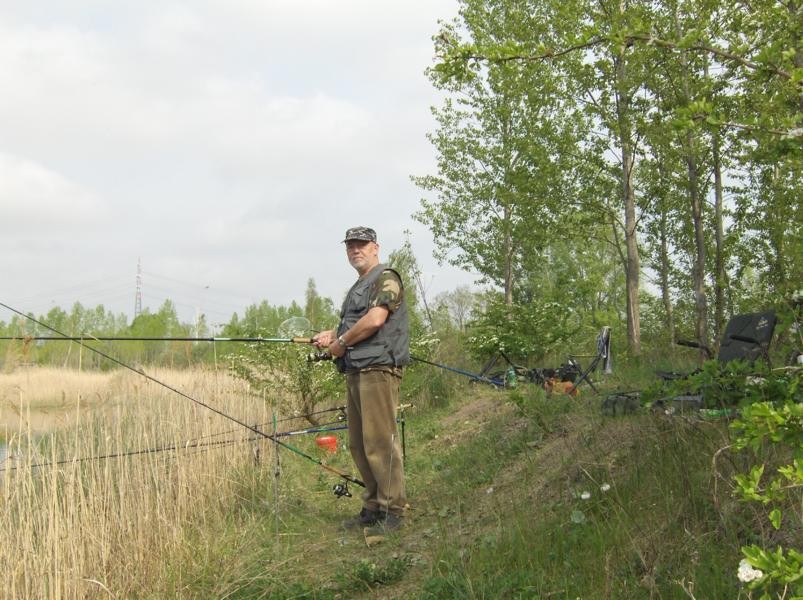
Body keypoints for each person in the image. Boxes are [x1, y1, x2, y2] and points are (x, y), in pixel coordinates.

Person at [313, 226, 409, 534]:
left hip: (377, 369)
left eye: (362, 245)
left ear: (376, 247)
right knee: (359, 443)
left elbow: (376, 319)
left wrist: (340, 344)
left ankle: (392, 510)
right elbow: (356, 323)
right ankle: (373, 506)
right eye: (351, 246)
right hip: (356, 370)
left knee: (380, 442)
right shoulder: (360, 285)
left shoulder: (386, 277)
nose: (356, 250)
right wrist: (332, 335)